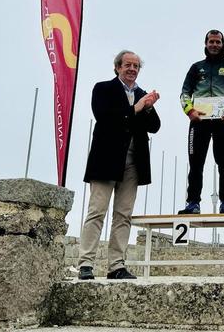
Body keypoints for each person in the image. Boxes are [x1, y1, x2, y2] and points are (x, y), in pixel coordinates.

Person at [78, 50, 161, 280]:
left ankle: (116, 265)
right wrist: (135, 108)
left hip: (134, 162)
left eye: (136, 66)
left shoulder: (143, 95)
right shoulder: (103, 88)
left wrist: (148, 106)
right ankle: (86, 263)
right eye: (128, 65)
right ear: (117, 67)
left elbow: (154, 126)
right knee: (96, 212)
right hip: (105, 160)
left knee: (123, 215)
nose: (132, 69)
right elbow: (104, 116)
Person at [179, 30, 224, 214]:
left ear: (223, 43)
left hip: (223, 120)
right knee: (196, 164)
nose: (214, 45)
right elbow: (185, 92)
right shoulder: (196, 67)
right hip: (198, 121)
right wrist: (189, 110)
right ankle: (193, 202)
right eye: (211, 42)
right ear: (206, 44)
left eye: (218, 42)